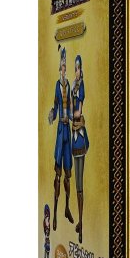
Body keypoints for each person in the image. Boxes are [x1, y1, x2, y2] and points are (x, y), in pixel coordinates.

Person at [48, 47, 73, 231]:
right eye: (61, 67)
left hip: (68, 131)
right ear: (59, 69)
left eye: (65, 67)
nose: (63, 70)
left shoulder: (69, 86)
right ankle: (55, 212)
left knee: (68, 174)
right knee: (58, 173)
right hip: (60, 132)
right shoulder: (58, 85)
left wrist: (75, 117)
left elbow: (70, 108)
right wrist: (52, 114)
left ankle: (66, 208)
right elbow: (56, 106)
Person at [71, 55, 89, 243]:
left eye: (78, 68)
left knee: (80, 184)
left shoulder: (80, 87)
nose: (76, 71)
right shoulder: (73, 87)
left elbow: (78, 112)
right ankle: (80, 221)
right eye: (75, 68)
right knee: (76, 183)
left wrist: (76, 120)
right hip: (74, 136)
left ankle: (82, 222)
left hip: (80, 140)